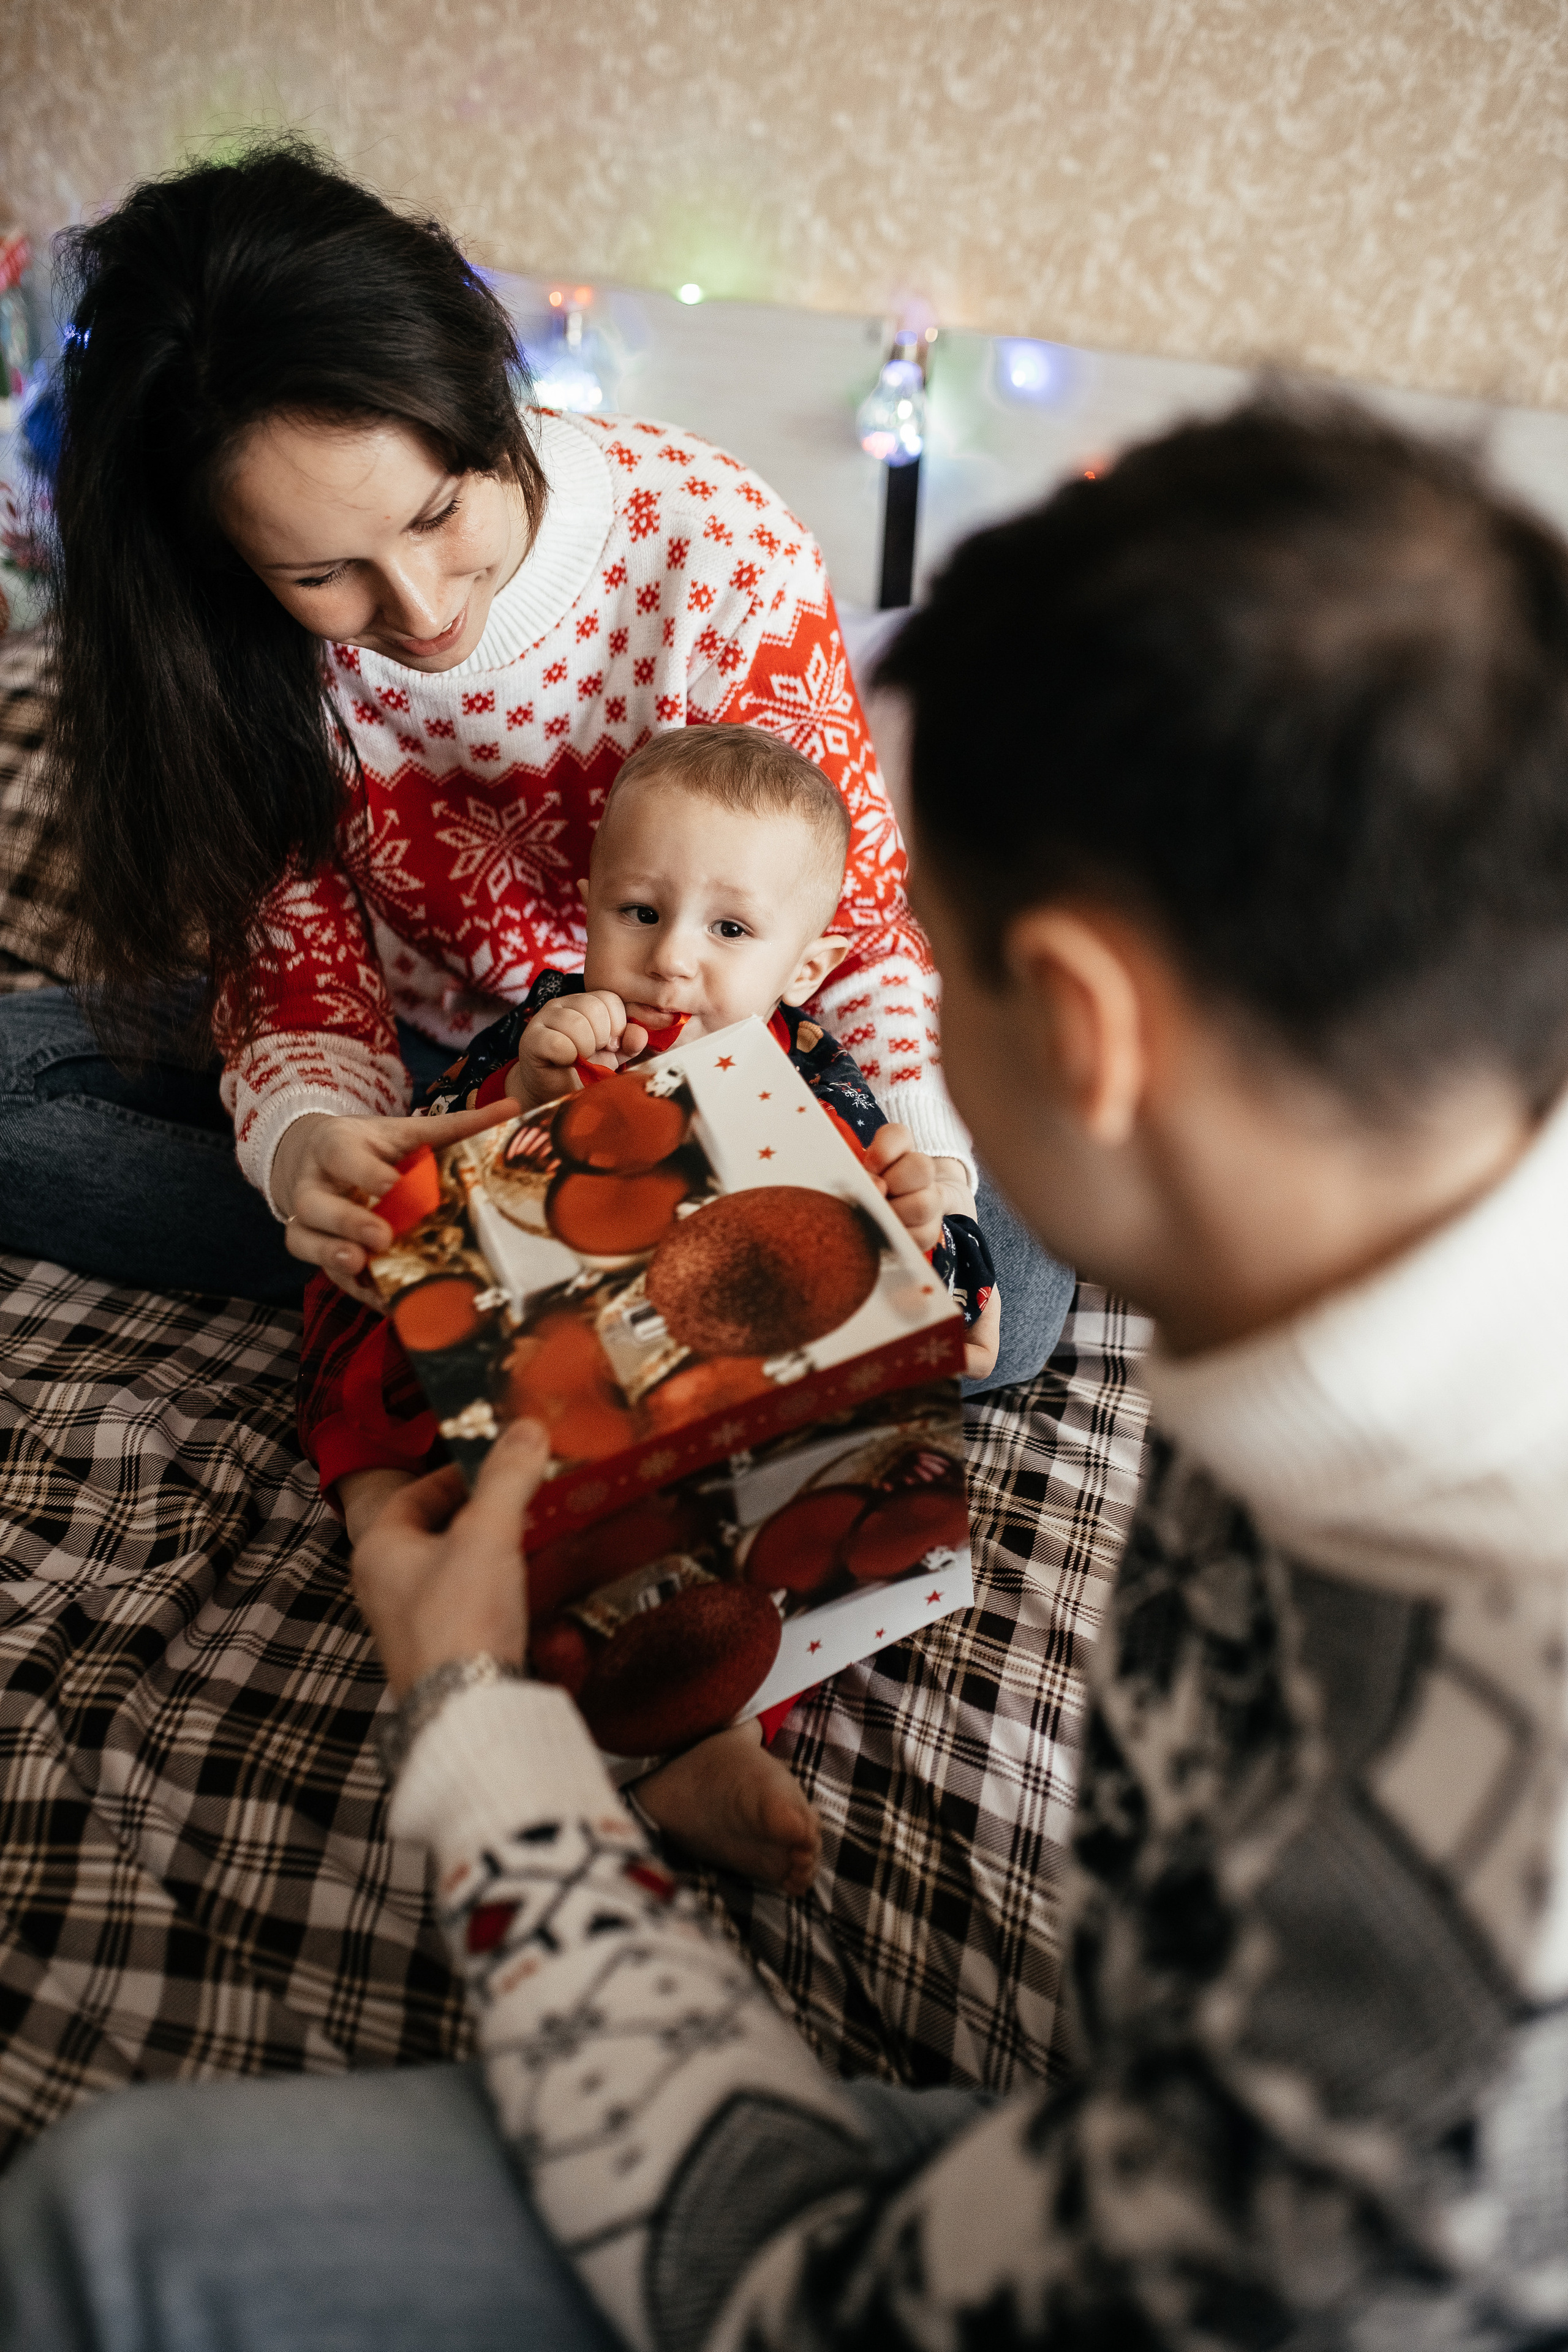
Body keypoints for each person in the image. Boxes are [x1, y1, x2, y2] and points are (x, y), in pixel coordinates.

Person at [13, 395, 1568, 2351]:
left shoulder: (1440, 1899)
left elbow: (816, 2300)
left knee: (98, 2223)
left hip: (1117, 2249)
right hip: (1154, 2133)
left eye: (926, 939)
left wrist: (480, 1732)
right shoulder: (1412, 1259)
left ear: (1077, 1027)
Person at [0, 138, 1072, 1389]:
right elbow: (289, 962)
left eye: (437, 513)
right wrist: (310, 1146)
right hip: (447, 1071)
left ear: (483, 400)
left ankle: (500, 1268)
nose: (414, 605)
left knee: (1001, 1296)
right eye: (318, 575)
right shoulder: (225, 647)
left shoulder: (717, 552)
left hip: (743, 1066)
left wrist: (919, 1170)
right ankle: (587, 1270)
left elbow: (854, 930)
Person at [302, 720, 1001, 1893]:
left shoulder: (816, 1068)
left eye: (730, 930)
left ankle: (707, 1741)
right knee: (377, 1386)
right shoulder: (560, 1025)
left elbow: (909, 1203)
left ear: (808, 962)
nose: (674, 959)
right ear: (588, 907)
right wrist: (535, 1083)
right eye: (639, 912)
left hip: (695, 1369)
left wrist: (942, 1263)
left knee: (767, 1517)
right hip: (520, 1348)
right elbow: (451, 1165)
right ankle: (399, 1551)